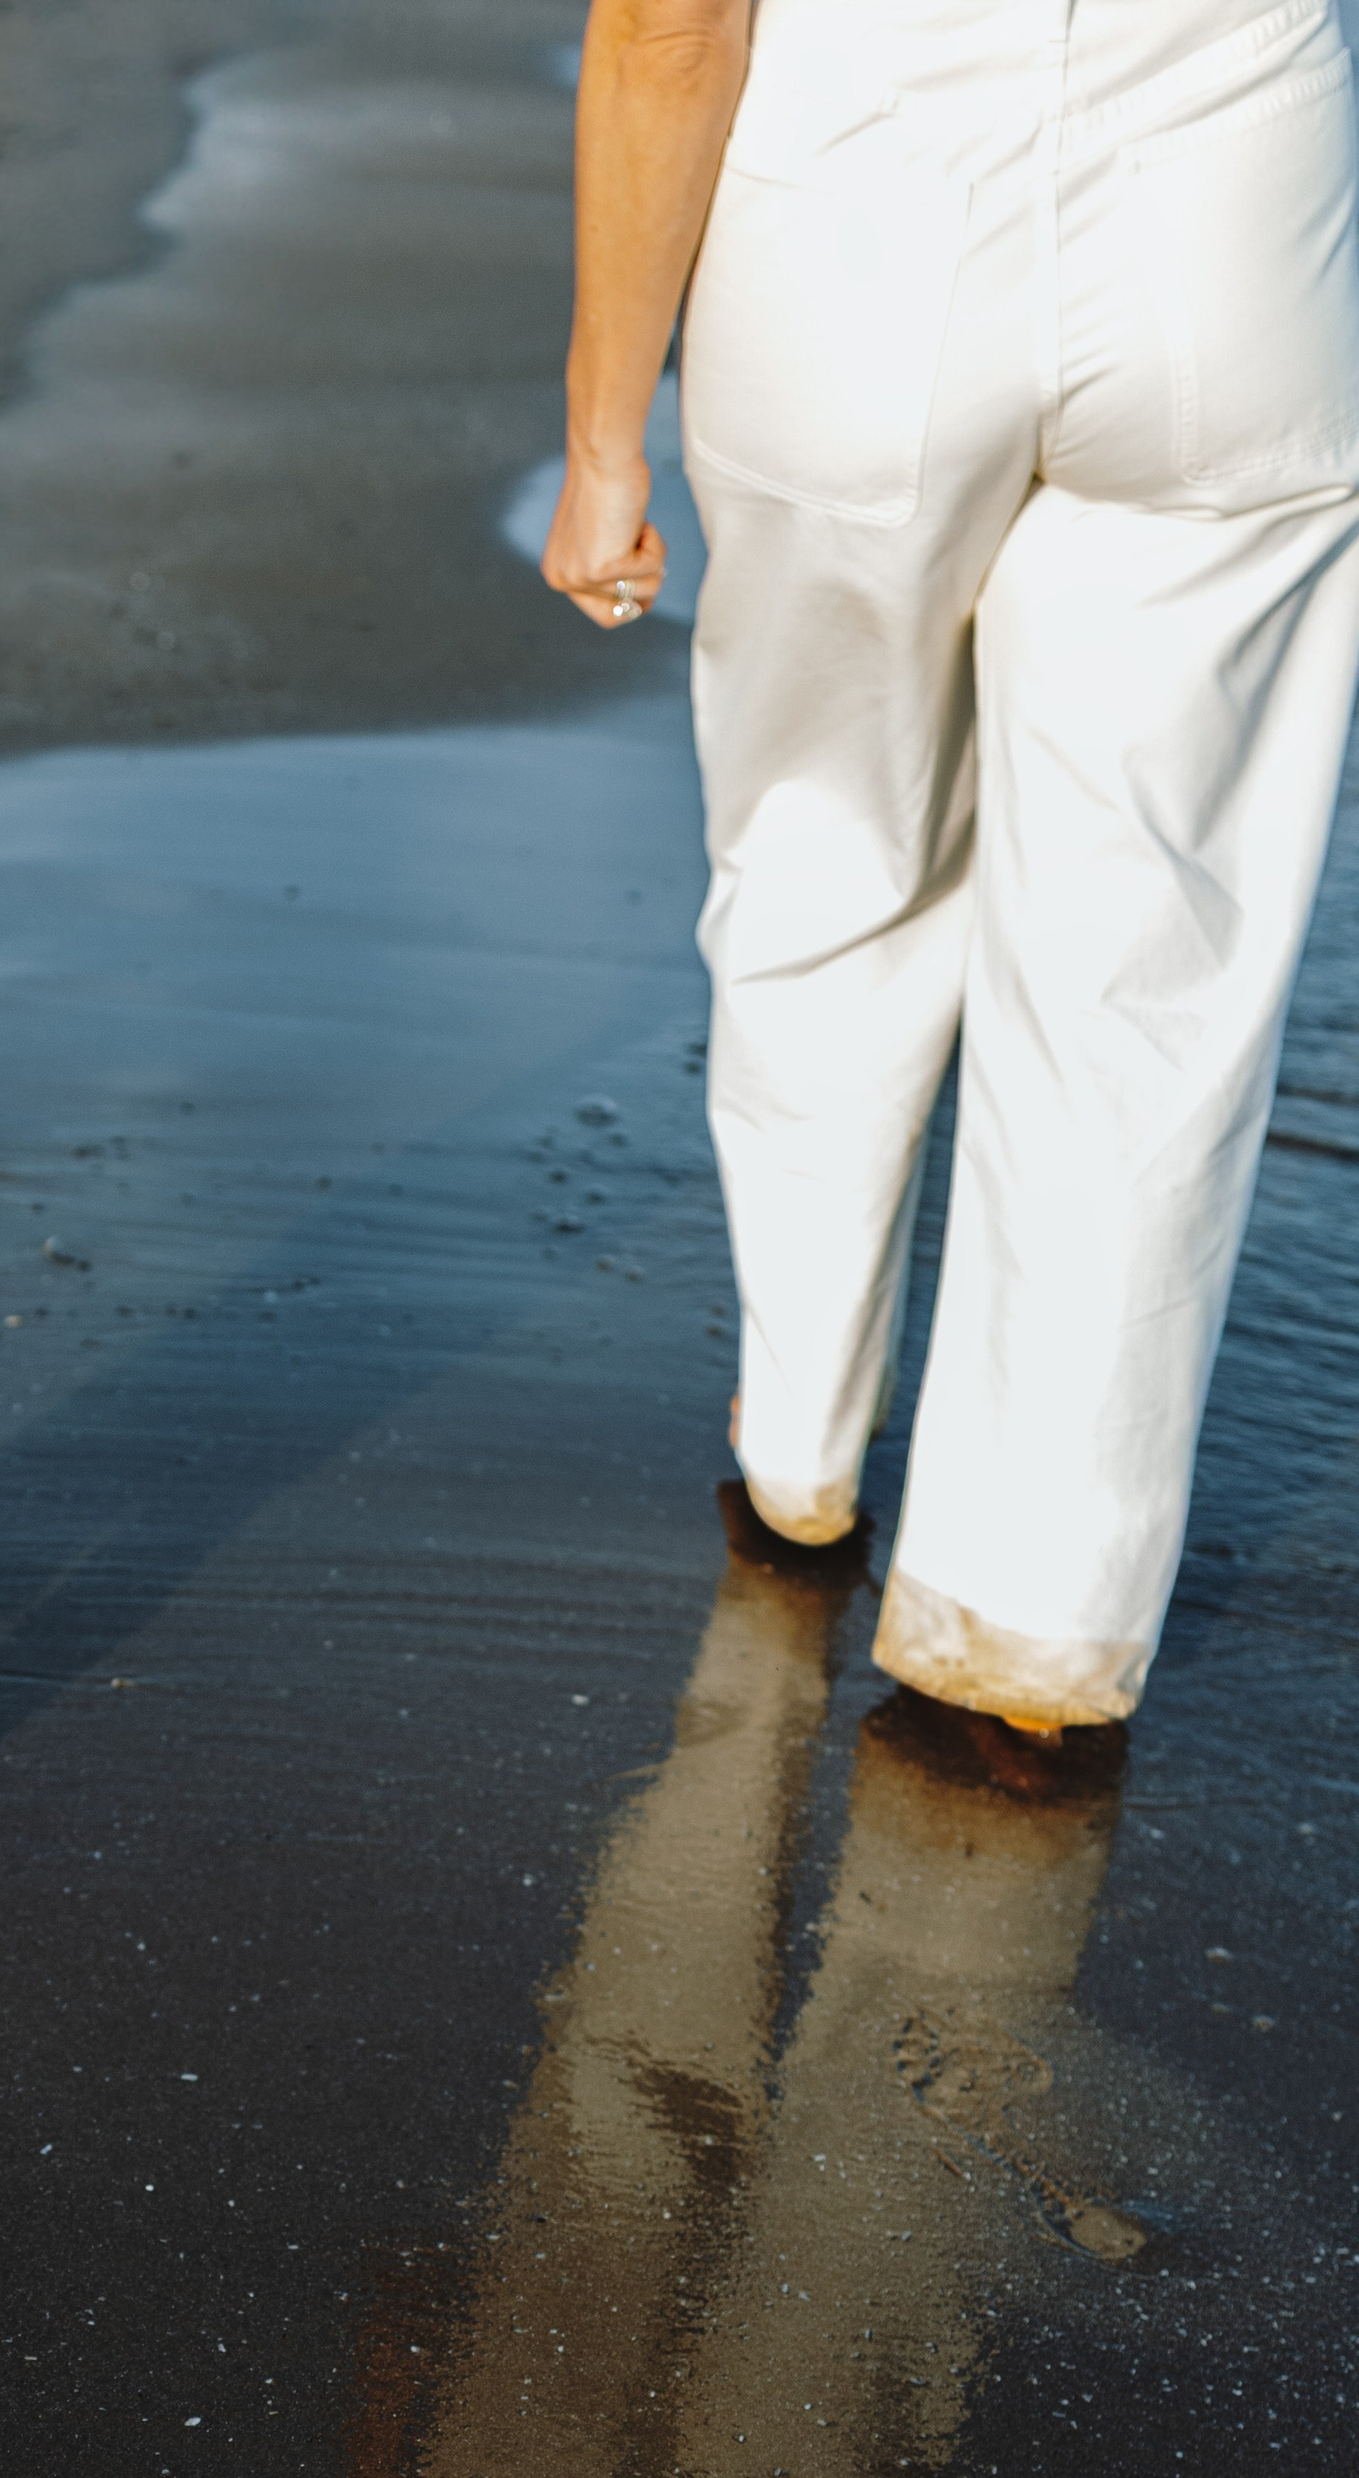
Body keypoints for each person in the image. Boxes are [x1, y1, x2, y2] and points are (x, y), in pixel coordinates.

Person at [544, 0, 1359, 1731]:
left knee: (830, 851)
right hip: (1236, 211)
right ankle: (1038, 1613)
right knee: (1153, 945)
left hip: (861, 213)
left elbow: (674, 22)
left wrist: (605, 430)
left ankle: (805, 1444)